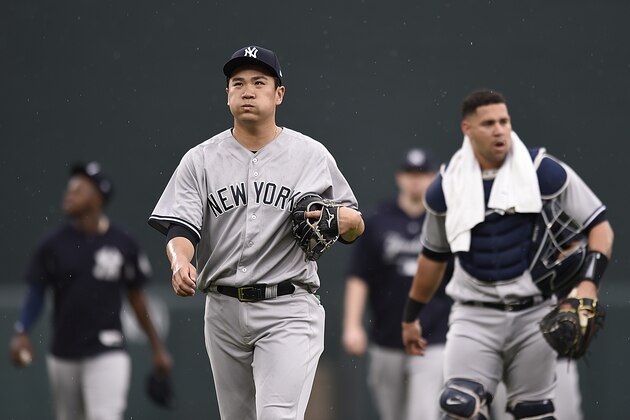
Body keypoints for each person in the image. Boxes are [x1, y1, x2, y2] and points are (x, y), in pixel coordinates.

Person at [148, 45, 364, 420]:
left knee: (277, 416)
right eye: (238, 83)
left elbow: (354, 224)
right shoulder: (200, 159)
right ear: (227, 94)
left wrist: (344, 220)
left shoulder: (311, 155)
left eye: (259, 82)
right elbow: (181, 227)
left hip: (288, 306)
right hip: (222, 310)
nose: (247, 90)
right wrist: (179, 260)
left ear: (279, 94)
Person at [401, 89, 614, 419]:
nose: (499, 129)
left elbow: (599, 226)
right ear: (467, 129)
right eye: (488, 123)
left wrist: (588, 285)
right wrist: (411, 317)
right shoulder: (447, 184)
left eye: (504, 121)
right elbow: (432, 259)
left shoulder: (543, 170)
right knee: (459, 408)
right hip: (474, 315)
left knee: (534, 412)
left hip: (534, 314)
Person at [9, 162, 173, 420]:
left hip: (107, 349)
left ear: (97, 198)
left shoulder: (122, 242)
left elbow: (137, 299)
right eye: (69, 188)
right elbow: (37, 292)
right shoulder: (53, 244)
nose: (69, 194)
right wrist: (22, 330)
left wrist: (157, 347)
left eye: (78, 189)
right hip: (64, 352)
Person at [342, 148, 453, 420]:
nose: (415, 180)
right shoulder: (378, 220)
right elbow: (359, 276)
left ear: (433, 177)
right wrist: (352, 326)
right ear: (399, 177)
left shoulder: (446, 221)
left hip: (433, 336)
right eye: (410, 173)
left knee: (423, 414)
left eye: (422, 174)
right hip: (386, 337)